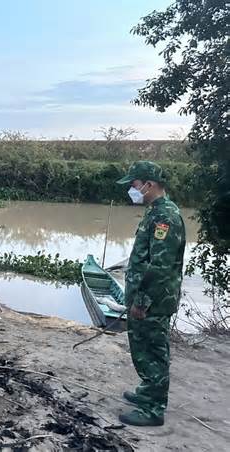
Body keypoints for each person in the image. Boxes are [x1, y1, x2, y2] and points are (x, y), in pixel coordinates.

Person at [116, 160, 186, 427]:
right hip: (144, 297)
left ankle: (153, 409)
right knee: (142, 348)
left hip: (153, 300)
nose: (132, 189)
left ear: (149, 184)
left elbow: (160, 265)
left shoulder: (165, 216)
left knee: (153, 351)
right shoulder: (155, 211)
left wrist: (142, 301)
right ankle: (147, 392)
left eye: (134, 185)